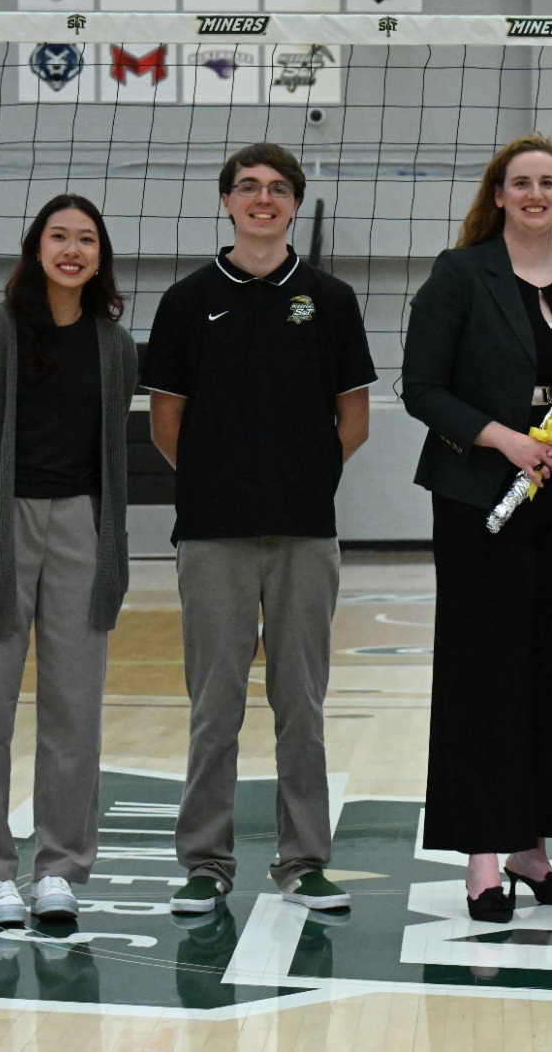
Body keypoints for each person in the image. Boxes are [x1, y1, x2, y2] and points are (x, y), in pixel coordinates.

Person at [143, 142, 377, 915]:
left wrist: (300, 478)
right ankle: (205, 862)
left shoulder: (331, 299)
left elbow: (355, 419)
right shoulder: (184, 301)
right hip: (212, 534)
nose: (263, 199)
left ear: (295, 203)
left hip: (305, 533)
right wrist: (222, 482)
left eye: (278, 188)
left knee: (300, 703)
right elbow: (165, 423)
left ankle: (303, 859)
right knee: (215, 706)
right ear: (227, 201)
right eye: (249, 187)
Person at [402, 132, 552, 923]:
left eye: (548, 183)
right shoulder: (460, 276)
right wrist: (504, 437)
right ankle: (483, 856)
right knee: (484, 672)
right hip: (482, 500)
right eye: (520, 182)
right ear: (497, 194)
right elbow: (421, 387)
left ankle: (534, 848)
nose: (535, 194)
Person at [0, 193, 139, 926]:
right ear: (36, 247)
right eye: (59, 236)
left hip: (83, 530)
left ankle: (60, 866)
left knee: (74, 711)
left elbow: (111, 446)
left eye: (86, 238)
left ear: (99, 256)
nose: (72, 249)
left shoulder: (115, 345)